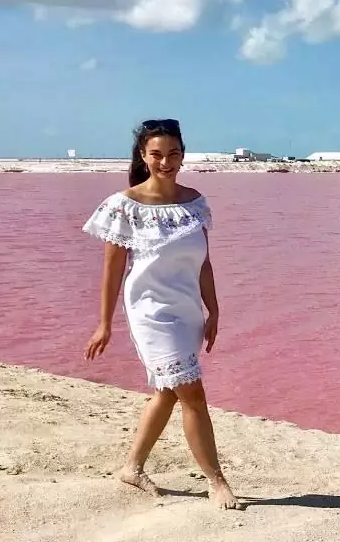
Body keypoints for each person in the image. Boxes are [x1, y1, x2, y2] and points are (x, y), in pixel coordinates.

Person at [81, 118, 241, 510]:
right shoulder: (124, 205)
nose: (165, 162)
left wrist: (214, 309)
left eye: (173, 154)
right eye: (156, 154)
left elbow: (203, 262)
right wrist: (104, 324)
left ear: (182, 155)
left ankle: (132, 467)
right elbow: (113, 269)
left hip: (187, 308)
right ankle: (216, 481)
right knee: (192, 392)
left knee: (169, 391)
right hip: (150, 311)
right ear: (143, 156)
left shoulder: (195, 202)